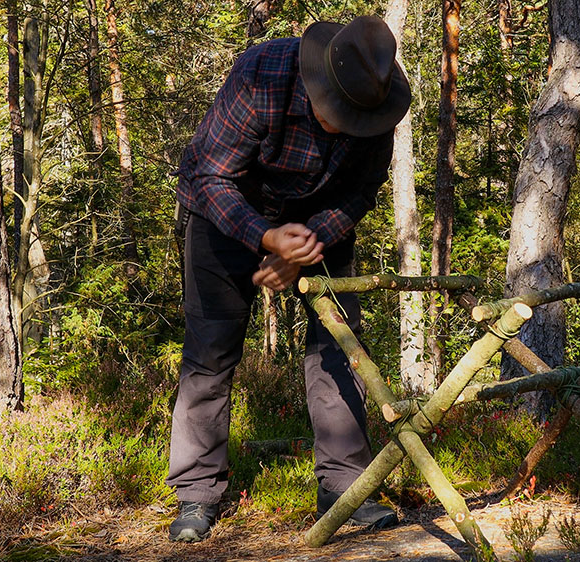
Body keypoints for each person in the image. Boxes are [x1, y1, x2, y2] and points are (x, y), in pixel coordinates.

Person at [166, 15, 411, 543]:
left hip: (318, 225)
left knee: (338, 347)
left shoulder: (378, 99)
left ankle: (346, 487)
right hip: (226, 210)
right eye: (336, 114)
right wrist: (266, 237)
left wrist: (306, 244)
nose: (345, 126)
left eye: (355, 119)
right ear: (316, 82)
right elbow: (210, 177)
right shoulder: (262, 75)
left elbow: (361, 191)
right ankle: (196, 493)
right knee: (210, 350)